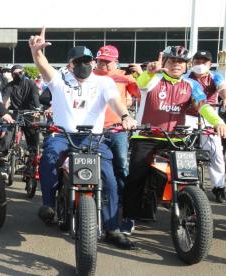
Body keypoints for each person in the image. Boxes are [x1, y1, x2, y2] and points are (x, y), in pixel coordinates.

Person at [30, 28, 137, 249]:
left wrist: (125, 116)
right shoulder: (59, 80)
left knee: (110, 178)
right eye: (79, 61)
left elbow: (115, 102)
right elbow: (44, 66)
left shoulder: (104, 82)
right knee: (49, 157)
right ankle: (49, 204)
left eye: (88, 60)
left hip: (94, 139)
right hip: (62, 136)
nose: (84, 65)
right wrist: (36, 53)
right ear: (70, 64)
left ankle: (112, 228)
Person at [121, 46, 226, 235]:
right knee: (136, 176)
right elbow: (143, 84)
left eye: (180, 62)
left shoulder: (191, 85)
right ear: (166, 63)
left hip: (177, 137)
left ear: (186, 66)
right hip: (146, 136)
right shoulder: (153, 79)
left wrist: (218, 121)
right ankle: (129, 217)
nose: (176, 65)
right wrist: (149, 72)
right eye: (172, 61)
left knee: (189, 176)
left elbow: (203, 106)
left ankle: (189, 208)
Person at [94, 45, 140, 202]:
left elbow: (142, 94)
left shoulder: (125, 76)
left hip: (117, 129)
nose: (103, 65)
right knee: (93, 165)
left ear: (116, 62)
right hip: (93, 130)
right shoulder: (89, 75)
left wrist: (141, 75)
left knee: (120, 165)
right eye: (100, 61)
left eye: (108, 61)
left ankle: (123, 202)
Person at [185, 50, 226, 203]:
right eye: (197, 61)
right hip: (187, 117)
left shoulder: (215, 76)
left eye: (204, 62)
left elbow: (222, 89)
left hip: (210, 117)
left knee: (216, 151)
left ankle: (219, 187)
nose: (200, 65)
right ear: (192, 63)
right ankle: (185, 183)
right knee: (182, 148)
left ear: (210, 64)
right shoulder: (185, 77)